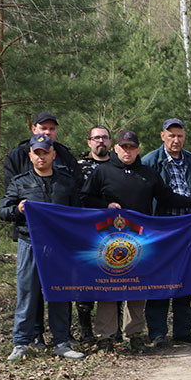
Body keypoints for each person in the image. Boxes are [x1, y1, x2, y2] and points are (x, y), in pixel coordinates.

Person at [81, 130, 191, 351]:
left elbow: (167, 197)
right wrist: (105, 206)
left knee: (136, 286)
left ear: (138, 149)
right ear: (116, 148)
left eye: (132, 147)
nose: (128, 151)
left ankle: (134, 333)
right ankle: (106, 335)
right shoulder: (102, 172)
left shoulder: (148, 173)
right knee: (109, 286)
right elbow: (85, 198)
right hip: (107, 240)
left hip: (139, 240)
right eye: (124, 147)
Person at [0, 135, 85, 362]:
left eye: (45, 152)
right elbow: (2, 211)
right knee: (27, 294)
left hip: (59, 247)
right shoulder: (20, 183)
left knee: (60, 293)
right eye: (37, 153)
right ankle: (21, 343)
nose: (41, 157)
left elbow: (78, 213)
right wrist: (17, 209)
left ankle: (61, 342)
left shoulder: (66, 182)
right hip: (30, 244)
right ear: (30, 156)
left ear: (53, 155)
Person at [141, 118, 191, 347]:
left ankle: (182, 331)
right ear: (163, 136)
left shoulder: (190, 159)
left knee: (184, 278)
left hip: (187, 227)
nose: (176, 140)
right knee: (159, 280)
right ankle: (157, 332)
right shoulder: (150, 161)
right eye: (171, 136)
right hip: (161, 227)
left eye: (179, 136)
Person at [74, 125, 114, 344]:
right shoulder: (77, 167)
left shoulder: (117, 165)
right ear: (89, 142)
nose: (101, 141)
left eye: (105, 138)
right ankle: (86, 330)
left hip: (113, 231)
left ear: (110, 142)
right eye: (96, 138)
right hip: (85, 231)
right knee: (85, 281)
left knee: (114, 277)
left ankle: (113, 329)